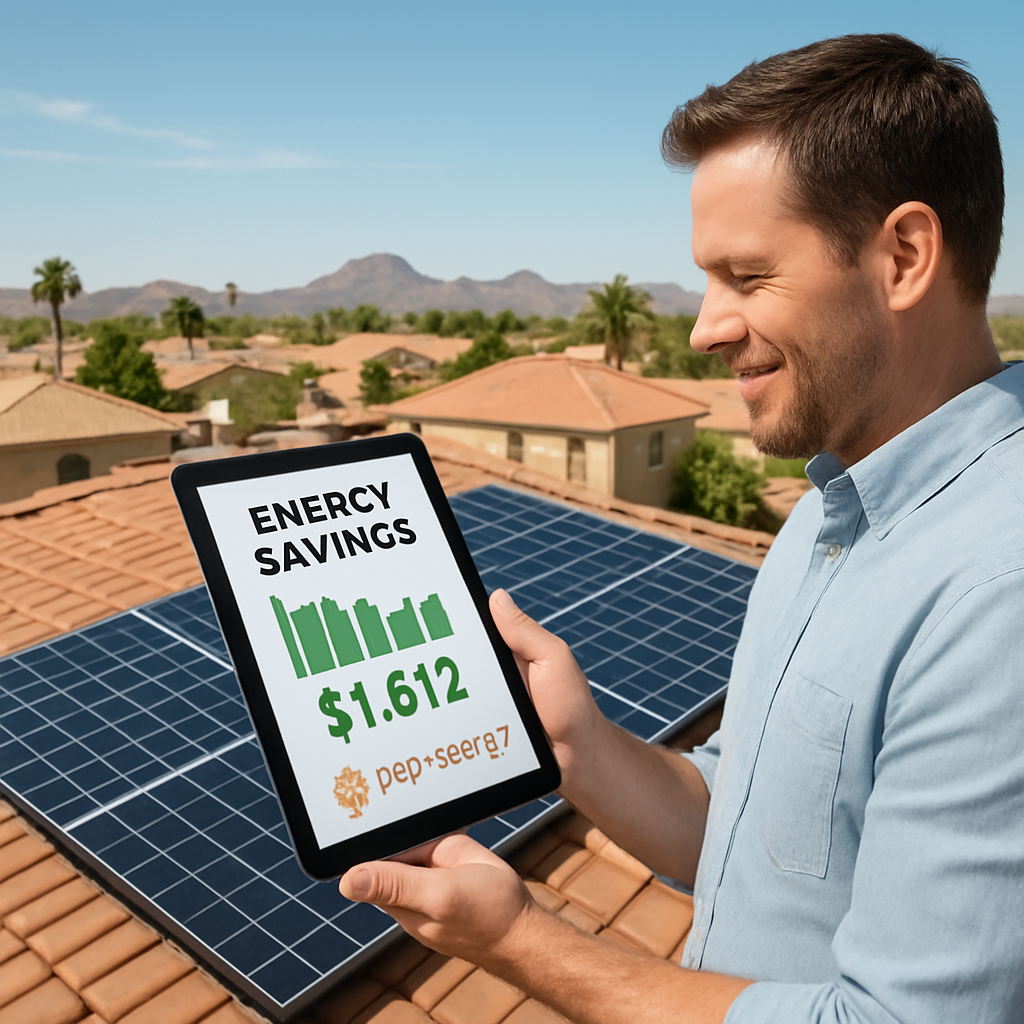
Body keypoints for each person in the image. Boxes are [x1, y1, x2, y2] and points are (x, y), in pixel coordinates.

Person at [340, 34, 1024, 1024]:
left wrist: (515, 940)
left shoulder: (998, 593)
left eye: (746, 275)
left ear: (904, 257)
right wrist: (578, 743)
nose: (704, 327)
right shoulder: (825, 514)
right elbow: (742, 831)